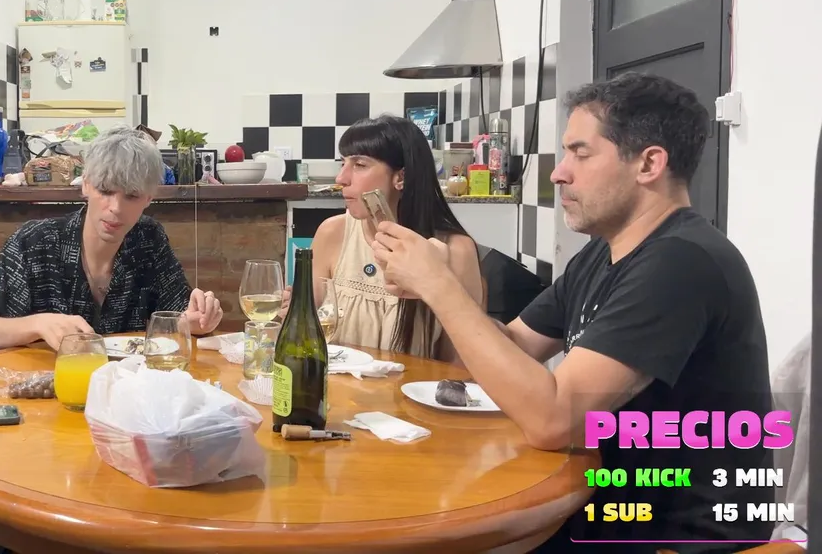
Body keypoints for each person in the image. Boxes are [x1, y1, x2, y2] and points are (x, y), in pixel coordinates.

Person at [369, 74, 774, 550]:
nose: (558, 173)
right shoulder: (603, 252)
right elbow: (511, 348)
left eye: (580, 154)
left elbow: (553, 420)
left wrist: (442, 291)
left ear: (648, 164)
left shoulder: (680, 262)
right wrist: (440, 285)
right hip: (599, 510)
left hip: (669, 537)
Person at [0, 127, 224, 354]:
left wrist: (197, 321)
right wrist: (37, 324)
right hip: (47, 387)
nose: (116, 208)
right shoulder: (35, 242)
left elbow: (179, 317)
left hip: (125, 389)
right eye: (106, 190)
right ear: (85, 184)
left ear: (148, 199)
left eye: (132, 196)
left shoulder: (148, 240)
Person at [289, 115, 483, 360]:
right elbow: (307, 329)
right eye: (343, 163)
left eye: (360, 165)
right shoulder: (332, 233)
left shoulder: (455, 250)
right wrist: (291, 314)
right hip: (338, 383)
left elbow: (464, 362)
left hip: (417, 385)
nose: (341, 179)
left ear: (400, 177)